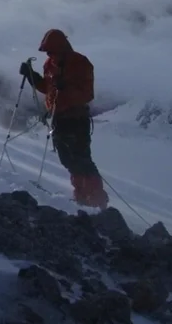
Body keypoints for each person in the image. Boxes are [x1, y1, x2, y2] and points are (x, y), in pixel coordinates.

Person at [19, 28, 109, 209]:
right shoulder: (49, 65)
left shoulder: (81, 63)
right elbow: (48, 88)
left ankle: (97, 199)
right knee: (68, 159)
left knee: (81, 159)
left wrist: (66, 89)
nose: (49, 55)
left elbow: (87, 94)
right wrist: (32, 77)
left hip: (76, 119)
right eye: (47, 52)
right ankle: (82, 197)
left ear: (61, 48)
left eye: (51, 51)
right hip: (59, 119)